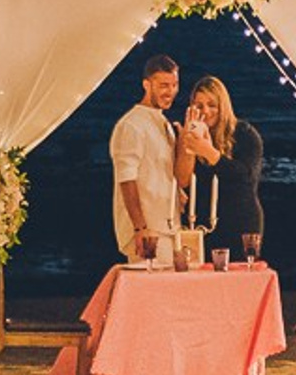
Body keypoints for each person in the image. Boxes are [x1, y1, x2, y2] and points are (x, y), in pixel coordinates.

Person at [109, 51, 189, 262]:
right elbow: (126, 179)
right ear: (146, 85)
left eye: (174, 85)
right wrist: (140, 228)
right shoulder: (132, 125)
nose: (170, 92)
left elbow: (161, 171)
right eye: (163, 85)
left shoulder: (165, 124)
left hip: (170, 227)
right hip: (149, 232)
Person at [180, 75, 265, 258]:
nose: (206, 111)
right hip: (202, 222)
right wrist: (187, 145)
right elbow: (184, 180)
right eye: (199, 106)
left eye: (212, 105)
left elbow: (245, 176)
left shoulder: (245, 133)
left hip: (240, 220)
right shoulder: (193, 136)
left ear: (223, 106)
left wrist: (209, 152)